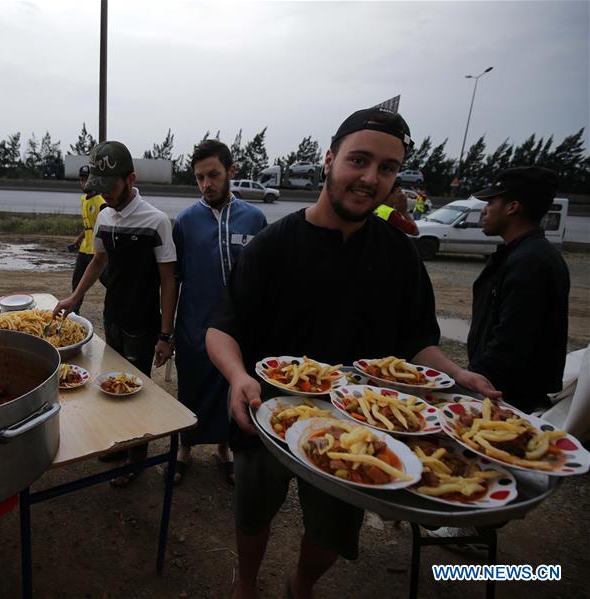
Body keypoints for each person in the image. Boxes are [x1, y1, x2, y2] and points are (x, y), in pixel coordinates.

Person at [204, 107, 499, 599]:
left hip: (358, 425)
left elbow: (418, 342)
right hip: (266, 409)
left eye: (386, 169)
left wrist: (454, 374)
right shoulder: (274, 245)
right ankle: (247, 581)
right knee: (253, 511)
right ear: (329, 159)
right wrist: (237, 376)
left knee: (333, 528)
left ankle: (300, 584)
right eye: (358, 160)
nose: (370, 179)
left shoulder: (400, 255)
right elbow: (221, 328)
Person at [54, 140, 178, 487]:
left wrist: (166, 335)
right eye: (100, 188)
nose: (105, 195)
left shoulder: (156, 222)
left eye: (111, 187)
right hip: (113, 317)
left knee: (136, 392)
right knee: (110, 386)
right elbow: (98, 261)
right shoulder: (105, 217)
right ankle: (121, 446)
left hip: (143, 322)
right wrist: (74, 297)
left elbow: (169, 281)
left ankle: (136, 458)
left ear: (131, 179)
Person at [171, 139, 267, 485]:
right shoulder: (185, 222)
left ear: (231, 171)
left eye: (213, 174)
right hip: (194, 325)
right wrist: (167, 333)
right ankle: (185, 447)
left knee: (230, 388)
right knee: (192, 387)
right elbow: (175, 278)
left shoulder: (255, 219)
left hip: (237, 329)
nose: (206, 184)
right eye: (199, 178)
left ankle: (224, 449)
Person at [468, 166, 570, 413]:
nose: (484, 210)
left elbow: (512, 340)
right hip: (501, 389)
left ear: (512, 207)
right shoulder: (521, 254)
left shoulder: (531, 262)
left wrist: (474, 382)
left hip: (507, 396)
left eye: (491, 202)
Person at [68, 164, 107, 314]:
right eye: (81, 179)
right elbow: (88, 226)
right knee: (77, 282)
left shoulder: (101, 203)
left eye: (87, 180)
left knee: (107, 280)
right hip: (85, 249)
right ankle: (74, 311)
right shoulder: (84, 199)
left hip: (98, 251)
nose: (83, 183)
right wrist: (78, 240)